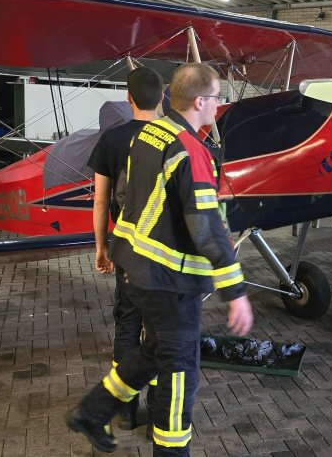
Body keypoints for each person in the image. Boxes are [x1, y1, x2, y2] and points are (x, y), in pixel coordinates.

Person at [66, 63, 254, 455]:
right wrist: (235, 291)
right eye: (217, 97)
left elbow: (126, 197)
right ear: (200, 101)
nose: (219, 104)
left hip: (138, 270)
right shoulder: (192, 151)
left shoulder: (150, 134)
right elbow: (206, 226)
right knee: (179, 374)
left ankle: (93, 412)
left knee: (153, 352)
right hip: (171, 282)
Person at [86, 67, 163, 430]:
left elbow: (101, 201)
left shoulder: (112, 140)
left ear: (129, 99)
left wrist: (101, 247)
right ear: (161, 99)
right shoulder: (174, 139)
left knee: (128, 325)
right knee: (160, 330)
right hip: (164, 255)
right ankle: (160, 415)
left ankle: (126, 413)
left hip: (128, 252)